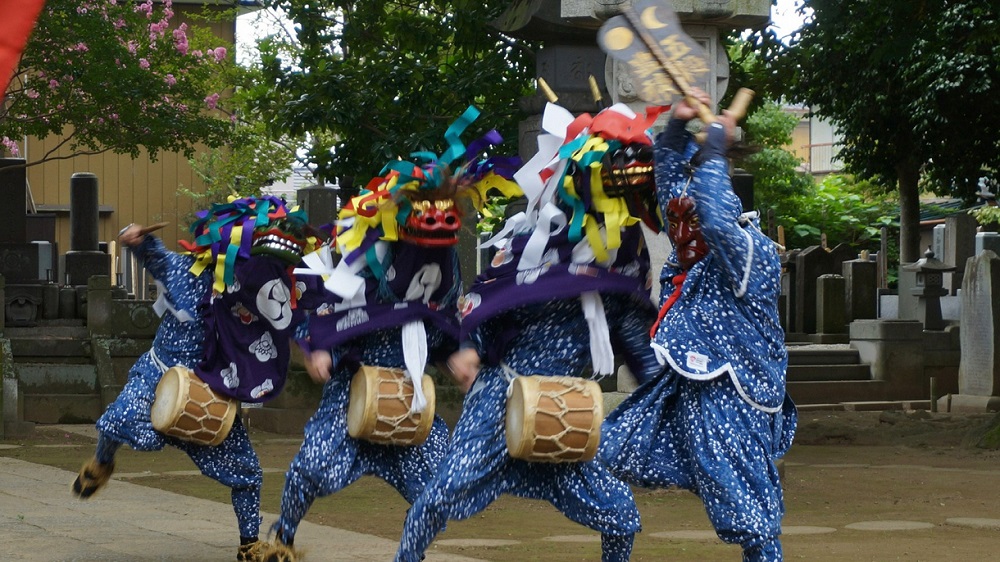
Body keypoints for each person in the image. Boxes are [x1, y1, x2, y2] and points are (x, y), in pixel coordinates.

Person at [395, 101, 665, 562]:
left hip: (565, 410)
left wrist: (662, 391)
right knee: (443, 493)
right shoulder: (533, 243)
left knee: (620, 514)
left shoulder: (624, 256)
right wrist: (468, 347)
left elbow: (636, 341)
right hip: (500, 397)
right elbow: (489, 301)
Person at [261, 108, 521, 562]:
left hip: (410, 398)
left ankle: (409, 554)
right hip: (352, 389)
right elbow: (330, 312)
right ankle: (283, 533)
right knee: (310, 469)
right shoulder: (368, 260)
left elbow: (445, 325)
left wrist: (458, 354)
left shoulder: (443, 267)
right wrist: (321, 350)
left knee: (440, 489)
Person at [600, 89, 798, 562]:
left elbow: (710, 214)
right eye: (678, 225)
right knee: (606, 456)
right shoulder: (697, 249)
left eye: (694, 224)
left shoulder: (750, 253)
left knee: (749, 517)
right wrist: (675, 127)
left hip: (737, 399)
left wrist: (715, 149)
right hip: (684, 388)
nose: (682, 233)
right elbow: (676, 195)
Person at [71, 196, 315, 562]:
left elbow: (296, 313)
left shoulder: (258, 291)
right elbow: (152, 252)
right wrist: (133, 236)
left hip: (212, 391)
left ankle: (249, 545)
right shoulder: (184, 269)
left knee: (248, 472)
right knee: (115, 421)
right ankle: (102, 462)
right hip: (158, 376)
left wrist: (314, 347)